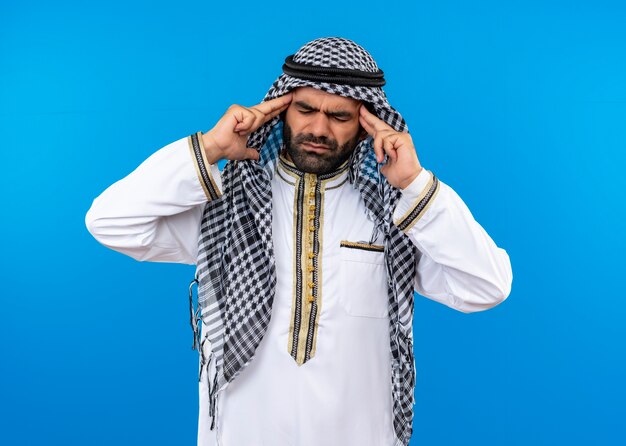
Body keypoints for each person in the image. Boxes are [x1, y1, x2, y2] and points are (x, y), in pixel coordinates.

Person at [85, 37, 513, 446]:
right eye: (305, 109)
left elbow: (487, 286)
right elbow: (109, 222)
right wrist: (212, 147)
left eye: (339, 116)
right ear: (282, 109)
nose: (318, 127)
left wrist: (417, 186)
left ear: (366, 125)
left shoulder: (396, 213)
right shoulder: (229, 206)